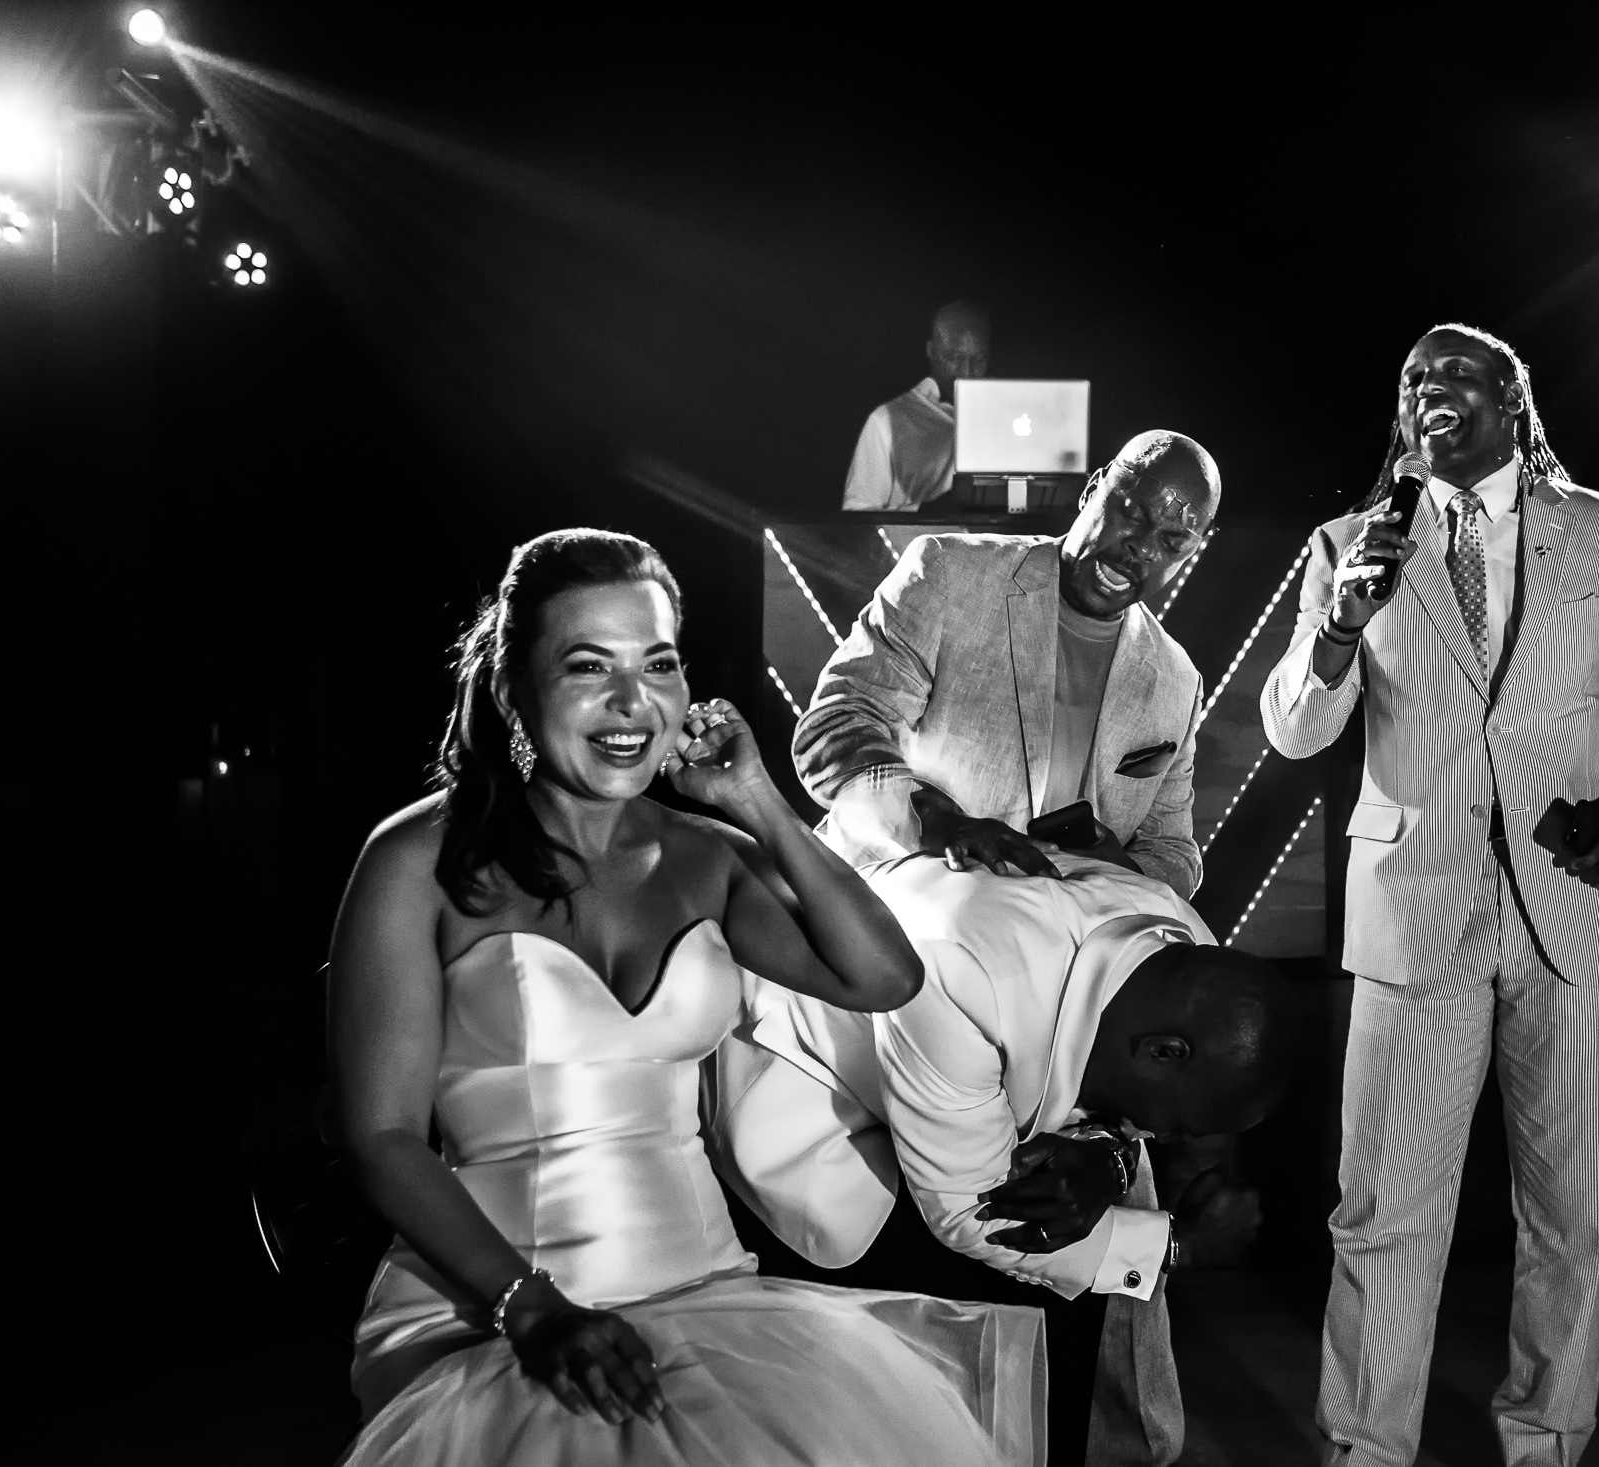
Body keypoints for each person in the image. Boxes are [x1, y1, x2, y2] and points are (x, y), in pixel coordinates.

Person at [329, 529, 1042, 1466]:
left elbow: (884, 976)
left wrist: (757, 801)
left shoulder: (707, 854)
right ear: (511, 690)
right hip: (493, 1306)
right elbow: (381, 1138)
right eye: (589, 666)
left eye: (658, 663)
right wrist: (532, 1309)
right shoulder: (413, 862)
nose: (634, 703)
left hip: (707, 1296)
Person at [1260, 324, 1599, 1467]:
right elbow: (1294, 728)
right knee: (1381, 1212)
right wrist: (1339, 625)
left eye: (1457, 372)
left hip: (1580, 902)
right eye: (1413, 377)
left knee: (1571, 1217)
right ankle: (1366, 1450)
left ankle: (1545, 1441)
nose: (1430, 389)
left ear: (1513, 401)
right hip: (1416, 906)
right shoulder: (1350, 543)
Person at [705, 854, 1299, 1467]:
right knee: (1035, 1274)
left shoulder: (1180, 935)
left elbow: (1107, 1114)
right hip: (818, 1106)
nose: (1162, 1139)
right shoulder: (964, 973)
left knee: (1071, 1259)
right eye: (1178, 1126)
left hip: (950, 1116)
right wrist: (1177, 1246)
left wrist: (1108, 1157)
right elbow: (973, 1214)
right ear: (1164, 1052)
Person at [796, 430, 1219, 897]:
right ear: (1092, 489)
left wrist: (1117, 869)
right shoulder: (949, 571)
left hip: (1069, 919)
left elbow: (1173, 851)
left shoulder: (1178, 681)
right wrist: (935, 818)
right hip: (908, 892)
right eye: (1133, 514)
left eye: (1173, 541)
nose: (1144, 547)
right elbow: (836, 724)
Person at [841, 299, 992, 511]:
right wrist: (927, 513)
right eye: (954, 357)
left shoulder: (1004, 418)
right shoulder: (886, 420)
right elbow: (859, 516)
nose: (967, 371)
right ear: (931, 350)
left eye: (979, 360)